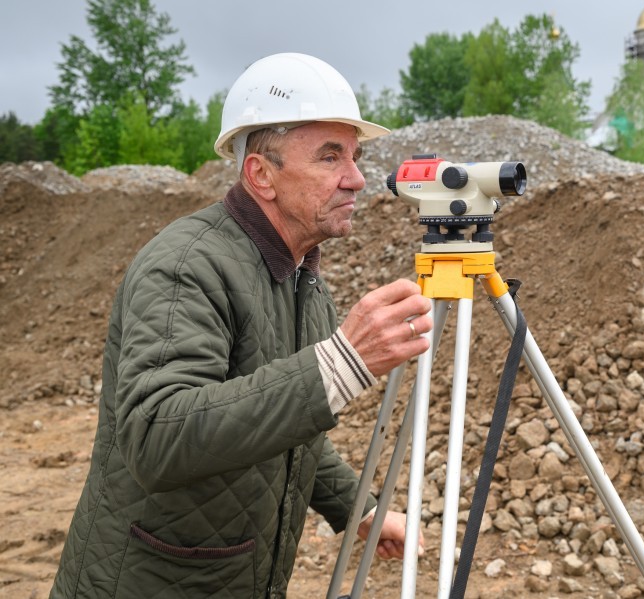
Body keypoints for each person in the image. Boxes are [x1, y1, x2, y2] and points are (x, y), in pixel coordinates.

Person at [50, 53, 433, 598]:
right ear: (260, 174)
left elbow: (273, 422)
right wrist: (341, 364)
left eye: (353, 156)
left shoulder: (300, 274)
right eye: (330, 157)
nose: (357, 179)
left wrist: (355, 506)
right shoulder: (186, 266)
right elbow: (157, 435)